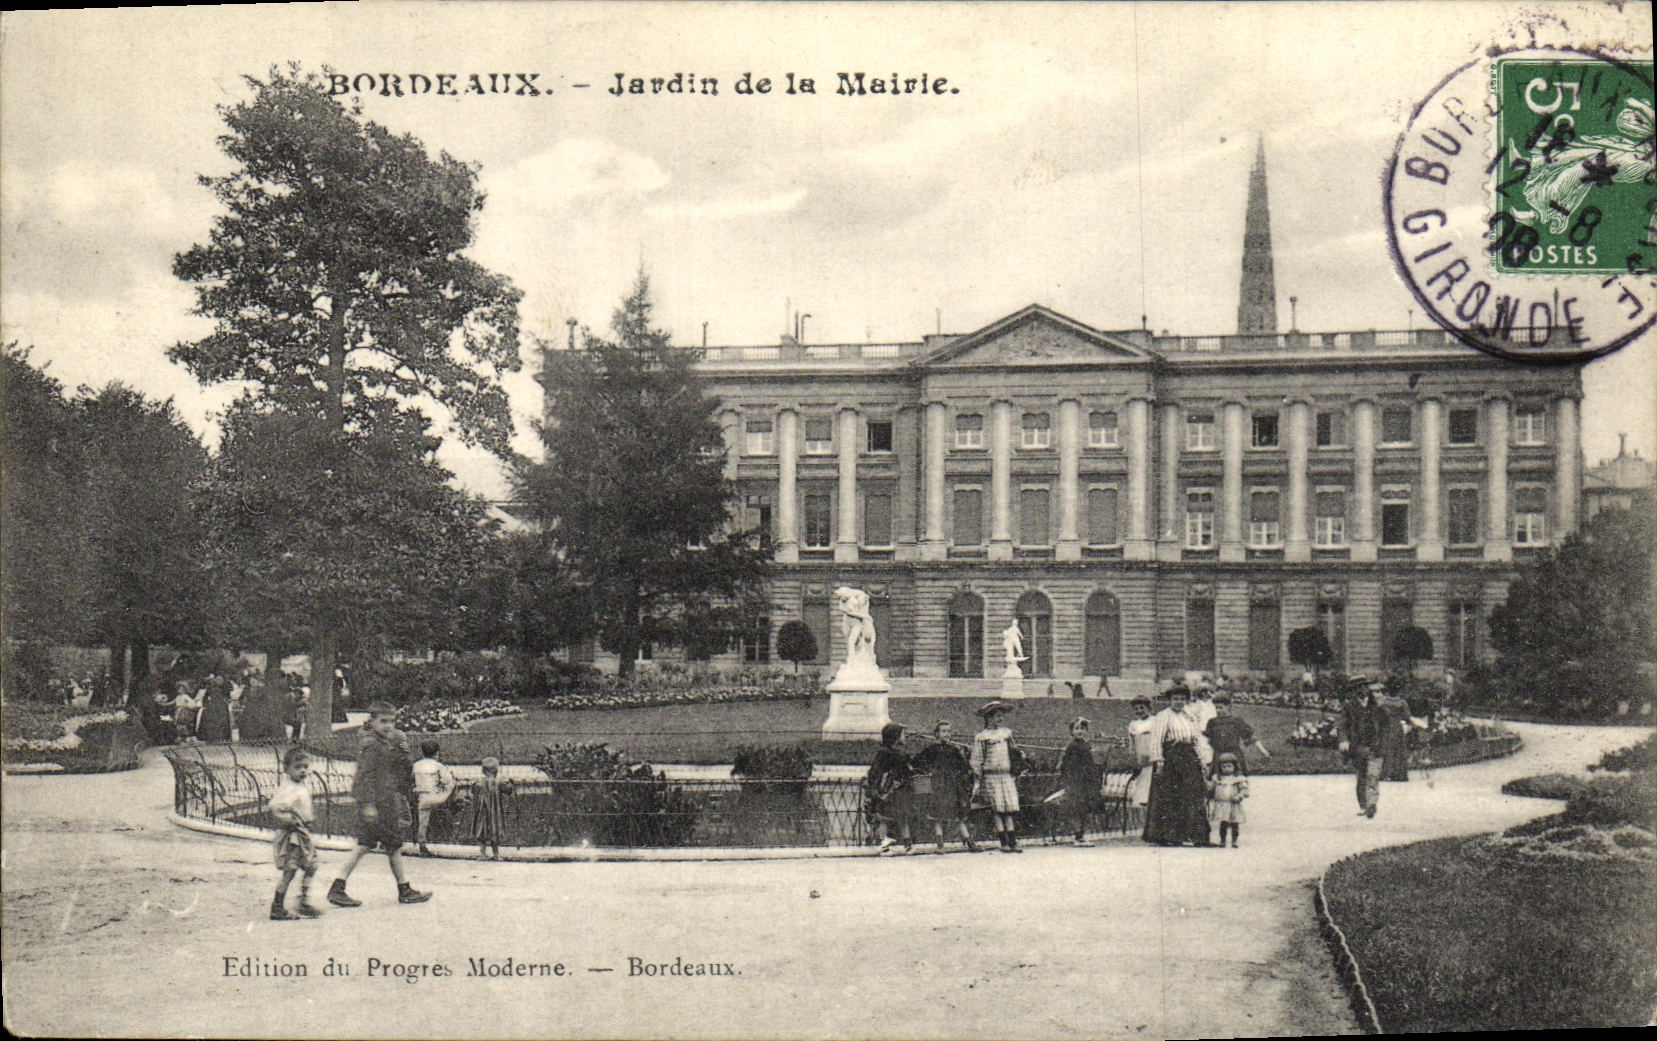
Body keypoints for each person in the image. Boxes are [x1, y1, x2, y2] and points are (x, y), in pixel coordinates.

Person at [327, 702, 430, 906]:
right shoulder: (373, 745)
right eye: (383, 721)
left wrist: (403, 754)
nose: (388, 725)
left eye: (392, 721)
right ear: (372, 722)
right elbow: (364, 776)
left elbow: (398, 769)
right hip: (379, 804)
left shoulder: (385, 742)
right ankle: (403, 890)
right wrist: (368, 804)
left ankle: (339, 887)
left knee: (376, 845)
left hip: (384, 801)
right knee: (385, 846)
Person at [1143, 686, 1211, 846]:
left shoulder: (1189, 716)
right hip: (1171, 758)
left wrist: (1202, 760)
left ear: (1186, 701)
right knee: (1172, 796)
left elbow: (1195, 740)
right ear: (1170, 700)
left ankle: (1195, 836)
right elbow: (1156, 740)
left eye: (1182, 699)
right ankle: (1170, 836)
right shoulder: (1164, 716)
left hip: (1189, 757)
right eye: (1175, 699)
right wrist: (1159, 761)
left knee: (1193, 795)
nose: (1179, 702)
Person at [267, 748, 325, 920]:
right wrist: (290, 820)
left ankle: (303, 900)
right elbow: (275, 807)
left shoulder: (300, 786)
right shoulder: (289, 788)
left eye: (305, 767)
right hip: (294, 835)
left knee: (312, 865)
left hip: (302, 833)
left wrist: (308, 820)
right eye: (297, 767)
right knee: (290, 870)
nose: (302, 771)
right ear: (286, 769)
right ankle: (277, 906)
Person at [909, 721, 979, 853]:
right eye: (943, 731)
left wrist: (966, 756)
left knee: (958, 814)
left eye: (949, 731)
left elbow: (963, 766)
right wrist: (928, 772)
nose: (947, 734)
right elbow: (917, 762)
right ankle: (940, 844)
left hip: (953, 786)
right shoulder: (931, 750)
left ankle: (969, 841)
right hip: (938, 786)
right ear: (936, 734)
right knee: (938, 815)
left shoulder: (954, 750)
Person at [970, 701, 1023, 852]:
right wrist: (978, 778)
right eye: (997, 716)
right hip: (991, 777)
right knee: (997, 809)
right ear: (988, 718)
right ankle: (1003, 841)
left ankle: (1013, 841)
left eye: (1002, 716)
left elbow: (1014, 752)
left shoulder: (1006, 734)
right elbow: (977, 759)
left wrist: (1017, 763)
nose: (1000, 719)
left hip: (1006, 775)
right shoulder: (982, 737)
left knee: (1009, 808)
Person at [865, 722, 916, 855]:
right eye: (903, 734)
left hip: (899, 790)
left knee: (901, 817)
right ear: (895, 737)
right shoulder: (885, 753)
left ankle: (907, 845)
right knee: (885, 819)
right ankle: (884, 846)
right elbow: (876, 771)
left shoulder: (899, 753)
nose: (905, 737)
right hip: (888, 791)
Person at [1339, 683, 1385, 818]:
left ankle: (1371, 804)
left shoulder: (1377, 705)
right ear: (1353, 691)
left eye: (1364, 687)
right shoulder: (1349, 707)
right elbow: (1342, 726)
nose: (1361, 690)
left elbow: (1386, 723)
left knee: (1373, 775)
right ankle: (1364, 805)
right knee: (1361, 777)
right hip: (1358, 747)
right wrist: (1343, 740)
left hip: (1375, 746)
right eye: (1357, 688)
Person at [1057, 717, 1101, 847]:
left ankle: (1082, 835)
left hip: (1086, 781)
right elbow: (1067, 764)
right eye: (1076, 728)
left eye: (1082, 728)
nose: (1080, 731)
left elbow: (1090, 763)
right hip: (1075, 781)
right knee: (1076, 808)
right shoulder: (1072, 746)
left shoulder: (1086, 745)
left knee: (1085, 808)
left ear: (1086, 730)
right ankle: (1077, 836)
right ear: (1072, 731)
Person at [1204, 694, 1272, 776]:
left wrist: (1263, 751)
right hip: (1218, 755)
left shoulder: (1236, 721)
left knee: (1238, 778)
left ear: (1228, 707)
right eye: (1216, 708)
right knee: (1216, 779)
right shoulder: (1212, 722)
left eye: (1220, 707)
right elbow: (1208, 742)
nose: (1218, 710)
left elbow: (1249, 737)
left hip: (1235, 755)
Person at [412, 740, 456, 856]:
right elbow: (447, 781)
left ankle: (422, 843)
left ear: (422, 753)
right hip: (436, 797)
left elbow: (410, 779)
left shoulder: (416, 765)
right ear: (436, 753)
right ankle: (453, 806)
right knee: (451, 784)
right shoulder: (438, 766)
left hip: (422, 797)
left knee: (423, 820)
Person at [470, 756, 514, 860]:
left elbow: (473, 790)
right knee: (495, 831)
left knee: (482, 831)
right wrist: (510, 783)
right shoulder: (499, 782)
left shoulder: (478, 782)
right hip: (495, 812)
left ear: (483, 770)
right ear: (496, 770)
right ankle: (496, 854)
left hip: (482, 812)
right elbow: (508, 790)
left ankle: (482, 853)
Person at [1208, 753, 1249, 848]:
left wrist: (1239, 796)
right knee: (1223, 823)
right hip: (1222, 804)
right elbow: (1211, 788)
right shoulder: (1217, 778)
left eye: (1229, 766)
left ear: (1235, 766)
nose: (1226, 769)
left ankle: (1234, 840)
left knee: (1235, 823)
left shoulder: (1238, 779)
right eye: (1224, 767)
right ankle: (1223, 840)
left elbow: (1244, 790)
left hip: (1234, 804)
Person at [1125, 696, 1158, 809]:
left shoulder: (1155, 721)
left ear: (1149, 708)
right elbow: (1132, 744)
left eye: (1142, 707)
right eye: (1136, 708)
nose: (1139, 710)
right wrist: (1133, 757)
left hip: (1154, 756)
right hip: (1141, 757)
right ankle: (1141, 803)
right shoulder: (1133, 724)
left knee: (1153, 779)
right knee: (1143, 778)